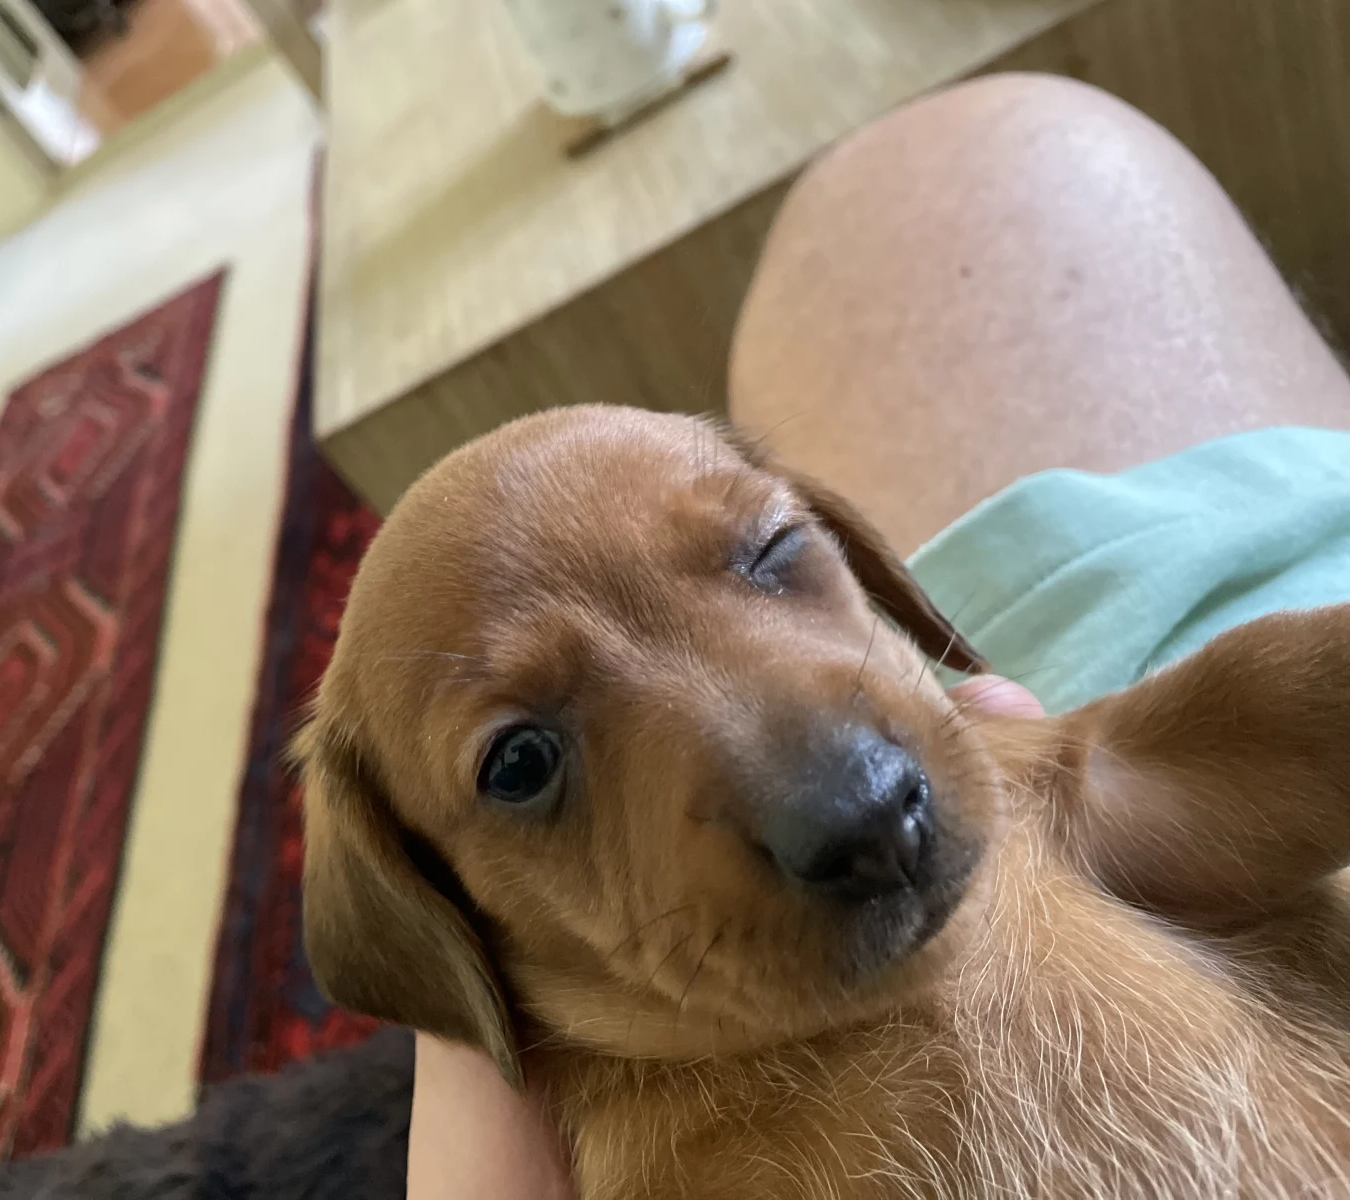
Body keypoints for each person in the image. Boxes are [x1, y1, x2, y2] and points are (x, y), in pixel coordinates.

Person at [406, 73, 1350, 1198]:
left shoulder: (1025, 778)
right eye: (525, 762)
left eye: (771, 553)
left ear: (868, 560)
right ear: (417, 889)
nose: (842, 806)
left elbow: (1249, 745)